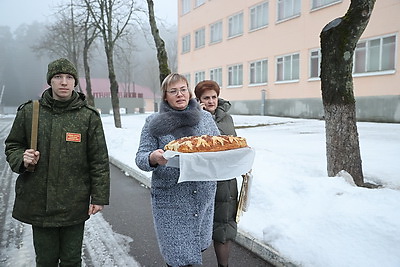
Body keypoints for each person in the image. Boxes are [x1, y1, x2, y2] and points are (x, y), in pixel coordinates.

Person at [4, 58, 110, 267]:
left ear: (74, 82)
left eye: (69, 77)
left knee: (71, 260)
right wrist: (21, 158)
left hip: (74, 204)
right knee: (45, 260)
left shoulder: (88, 117)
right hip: (39, 203)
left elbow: (98, 160)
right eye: (58, 77)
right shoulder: (29, 112)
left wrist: (99, 197)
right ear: (50, 81)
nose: (64, 82)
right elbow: (12, 145)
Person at [135, 73, 220, 267]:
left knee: (196, 248)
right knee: (178, 257)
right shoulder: (153, 123)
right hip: (171, 199)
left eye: (183, 89)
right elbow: (140, 157)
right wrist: (153, 158)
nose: (180, 94)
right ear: (165, 96)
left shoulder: (204, 118)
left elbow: (218, 147)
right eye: (173, 91)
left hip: (202, 197)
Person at [194, 80, 239, 267]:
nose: (211, 101)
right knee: (198, 226)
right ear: (199, 100)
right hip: (202, 179)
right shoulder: (193, 118)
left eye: (214, 97)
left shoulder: (227, 118)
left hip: (226, 180)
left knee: (224, 226)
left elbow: (234, 142)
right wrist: (198, 115)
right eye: (206, 98)